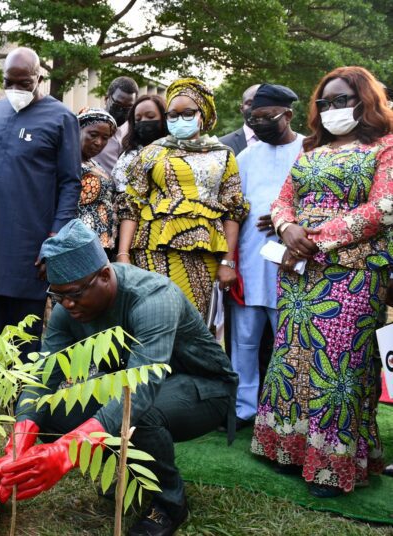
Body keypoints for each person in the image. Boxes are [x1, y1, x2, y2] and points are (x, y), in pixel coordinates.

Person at [0, 220, 237, 536]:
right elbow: (43, 380)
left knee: (136, 414)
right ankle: (122, 472)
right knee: (50, 410)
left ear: (105, 275)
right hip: (134, 388)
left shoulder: (154, 298)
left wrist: (66, 452)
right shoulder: (67, 307)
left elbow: (140, 390)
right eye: (57, 295)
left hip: (204, 389)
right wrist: (18, 445)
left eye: (74, 294)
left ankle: (170, 505)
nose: (67, 304)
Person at [252, 66, 393, 497]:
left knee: (338, 368)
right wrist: (285, 228)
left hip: (352, 275)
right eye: (325, 103)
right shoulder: (312, 150)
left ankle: (333, 465)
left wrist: (314, 238)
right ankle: (289, 451)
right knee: (292, 360)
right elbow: (283, 200)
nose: (332, 109)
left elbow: (384, 207)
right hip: (298, 273)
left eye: (342, 100)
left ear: (364, 101)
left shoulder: (386, 147)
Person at [0, 47, 81, 418]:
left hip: (31, 245)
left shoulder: (61, 118)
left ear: (40, 79)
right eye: (9, 82)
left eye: (24, 82)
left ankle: (22, 408)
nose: (15, 88)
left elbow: (70, 182)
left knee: (24, 331)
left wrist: (55, 239)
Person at [117, 78, 249, 319]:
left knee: (194, 323)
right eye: (172, 114)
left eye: (187, 113)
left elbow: (233, 210)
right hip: (152, 249)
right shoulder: (151, 153)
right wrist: (123, 255)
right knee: (154, 319)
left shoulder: (223, 156)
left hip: (204, 252)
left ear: (202, 114)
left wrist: (228, 262)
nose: (179, 119)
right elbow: (131, 206)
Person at [229, 84, 304, 430]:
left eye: (266, 117)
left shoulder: (310, 150)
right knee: (243, 341)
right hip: (249, 260)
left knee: (288, 342)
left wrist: (288, 222)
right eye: (253, 118)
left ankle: (285, 413)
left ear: (287, 115)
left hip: (293, 263)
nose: (258, 124)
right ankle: (244, 409)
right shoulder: (245, 157)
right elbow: (233, 212)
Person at [76, 108, 118, 256]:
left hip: (101, 244)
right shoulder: (67, 162)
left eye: (105, 137)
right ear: (78, 130)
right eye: (93, 135)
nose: (99, 142)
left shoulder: (93, 163)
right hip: (78, 244)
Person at [111, 94, 167, 194]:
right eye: (138, 119)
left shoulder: (177, 151)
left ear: (164, 118)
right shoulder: (128, 158)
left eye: (150, 116)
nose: (144, 121)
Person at [95, 76, 139, 174]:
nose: (122, 111)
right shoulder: (89, 125)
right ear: (106, 99)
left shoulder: (133, 129)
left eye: (128, 107)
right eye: (118, 105)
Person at [219, 84, 261, 155]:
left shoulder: (281, 141)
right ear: (242, 109)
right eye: (250, 104)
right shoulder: (222, 145)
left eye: (261, 103)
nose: (255, 108)